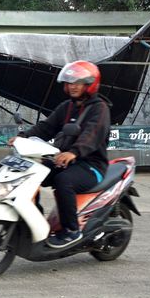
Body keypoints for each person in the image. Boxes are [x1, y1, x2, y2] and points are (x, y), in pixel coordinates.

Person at [14, 61, 111, 248]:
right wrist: (22, 137)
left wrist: (74, 152)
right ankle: (34, 220)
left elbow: (91, 135)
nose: (72, 86)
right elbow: (46, 127)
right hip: (64, 159)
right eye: (70, 82)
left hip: (91, 165)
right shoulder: (67, 107)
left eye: (78, 82)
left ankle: (71, 230)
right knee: (32, 173)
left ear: (90, 84)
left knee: (63, 181)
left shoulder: (100, 109)